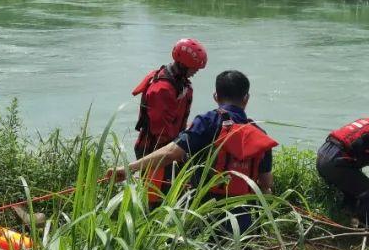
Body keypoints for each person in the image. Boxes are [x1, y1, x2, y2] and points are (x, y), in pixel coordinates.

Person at [114, 70, 277, 232]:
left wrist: (130, 168)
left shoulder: (207, 122)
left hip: (204, 218)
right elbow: (266, 184)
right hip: (242, 226)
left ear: (216, 96)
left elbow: (171, 153)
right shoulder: (259, 133)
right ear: (246, 98)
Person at [130, 38, 207, 200]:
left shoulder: (180, 83)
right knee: (155, 199)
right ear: (184, 64)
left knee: (175, 193)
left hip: (170, 148)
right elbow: (162, 131)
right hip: (155, 150)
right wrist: (181, 148)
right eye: (194, 68)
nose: (196, 71)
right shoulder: (162, 89)